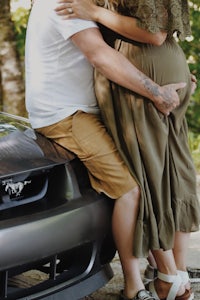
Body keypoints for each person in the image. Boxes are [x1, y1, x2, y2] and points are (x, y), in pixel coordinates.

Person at [25, 1, 189, 300]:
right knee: (130, 189)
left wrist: (170, 69)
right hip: (67, 115)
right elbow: (100, 56)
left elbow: (130, 39)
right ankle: (133, 286)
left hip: (97, 108)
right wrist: (156, 92)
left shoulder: (93, 4)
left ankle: (162, 269)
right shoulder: (65, 2)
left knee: (150, 171)